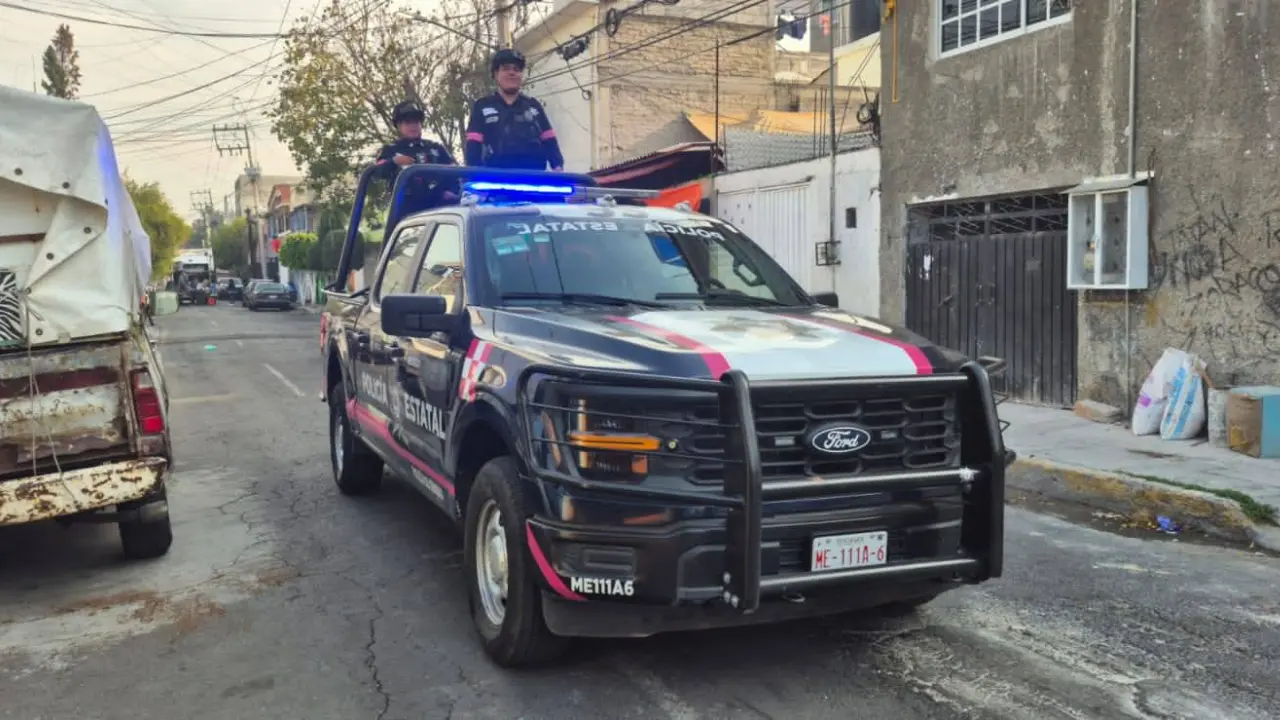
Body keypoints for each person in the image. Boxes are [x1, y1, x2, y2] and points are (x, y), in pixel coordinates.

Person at [464, 49, 565, 172]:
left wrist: (558, 166)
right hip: (494, 182)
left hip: (534, 180)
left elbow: (550, 142)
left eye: (516, 69)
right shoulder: (482, 106)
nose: (512, 73)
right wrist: (475, 175)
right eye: (506, 69)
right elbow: (473, 148)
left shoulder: (534, 107)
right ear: (495, 74)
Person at [375, 100, 457, 181]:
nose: (413, 126)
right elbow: (377, 171)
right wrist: (394, 161)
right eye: (408, 122)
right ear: (399, 126)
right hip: (403, 193)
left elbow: (455, 173)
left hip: (438, 193)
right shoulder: (390, 149)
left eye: (416, 122)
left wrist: (449, 192)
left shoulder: (436, 148)